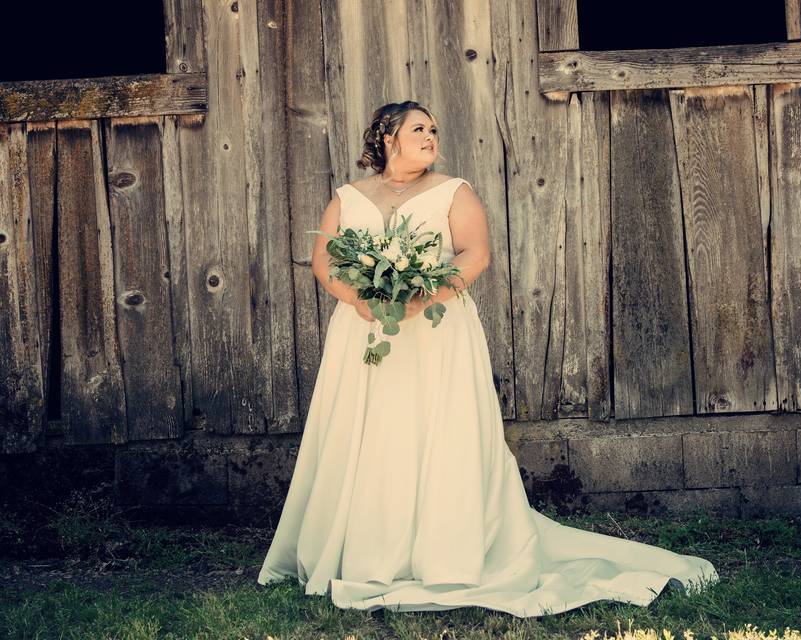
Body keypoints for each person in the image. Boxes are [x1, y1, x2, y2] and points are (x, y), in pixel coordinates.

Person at [256, 100, 719, 617]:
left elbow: (474, 255)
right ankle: (364, 549)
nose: (431, 136)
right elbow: (325, 261)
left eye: (434, 128)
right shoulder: (348, 197)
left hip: (435, 330)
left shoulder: (454, 192)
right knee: (371, 431)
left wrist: (418, 299)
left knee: (436, 430)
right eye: (418, 129)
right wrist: (363, 302)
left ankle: (443, 553)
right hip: (364, 332)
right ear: (388, 137)